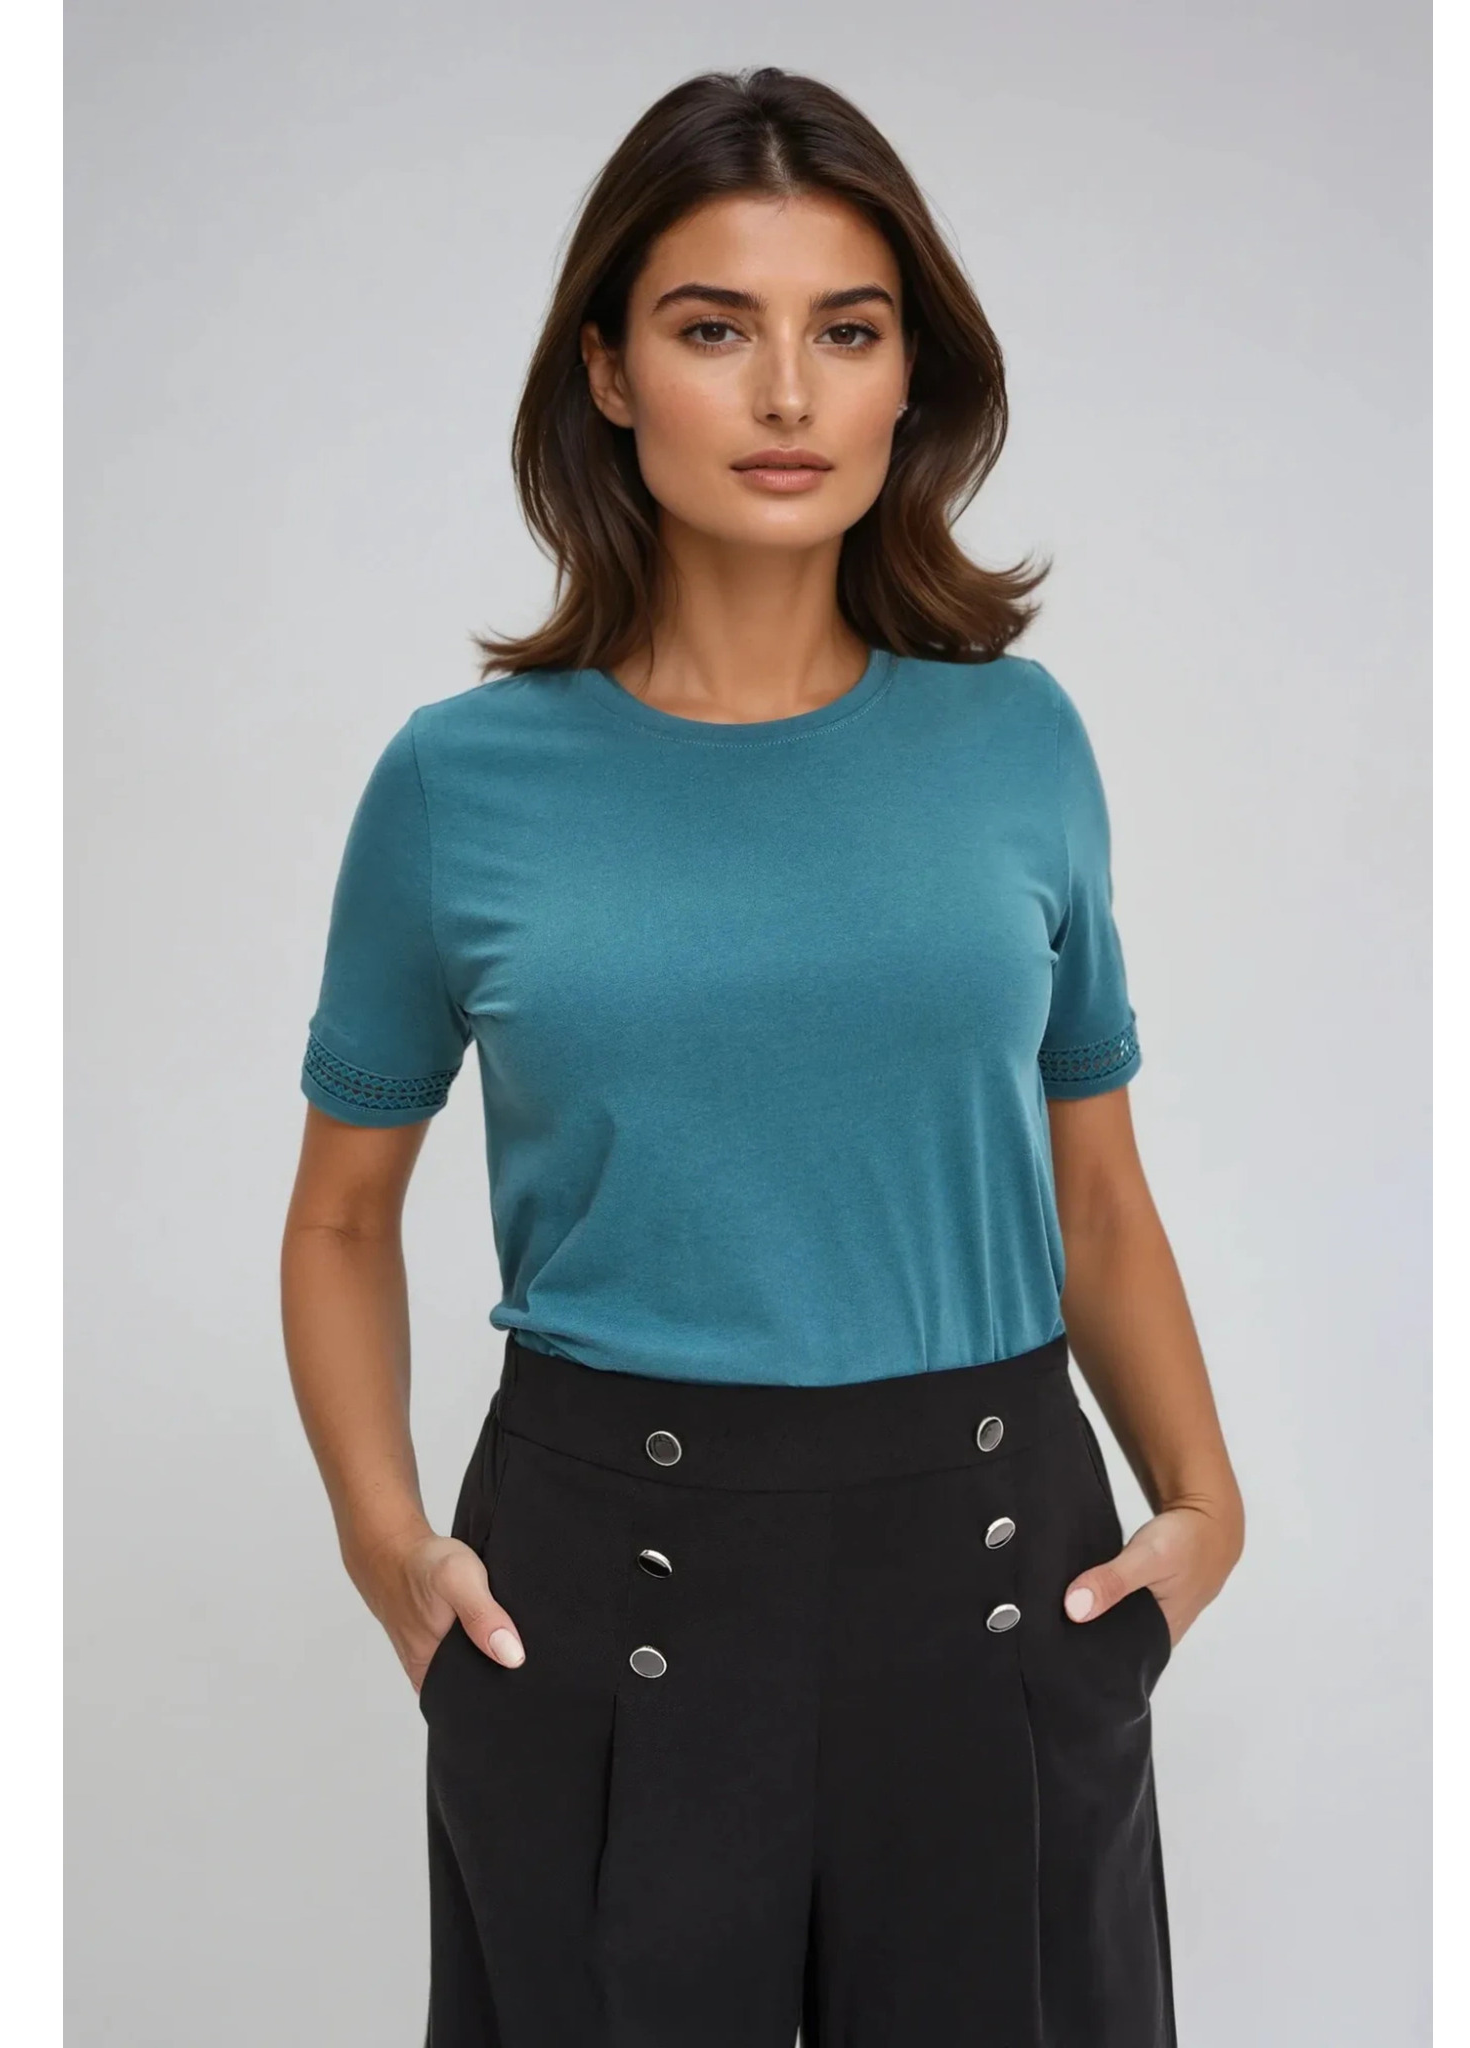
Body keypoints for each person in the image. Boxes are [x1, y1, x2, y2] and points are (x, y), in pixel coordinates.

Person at [280, 63, 1244, 2048]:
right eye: (717, 328)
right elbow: (342, 1218)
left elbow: (1096, 1191)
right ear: (610, 371)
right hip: (599, 1589)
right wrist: (389, 1550)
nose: (788, 393)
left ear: (911, 380)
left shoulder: (1020, 744)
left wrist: (1205, 1509)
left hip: (999, 1577)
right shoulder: (460, 784)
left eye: (848, 331)